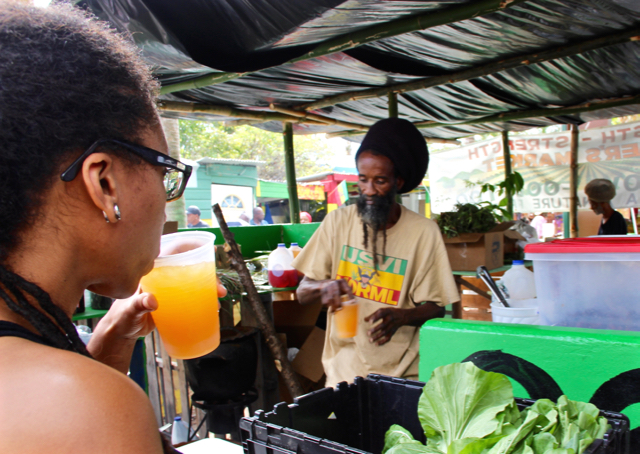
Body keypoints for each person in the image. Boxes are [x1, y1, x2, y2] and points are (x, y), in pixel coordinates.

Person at [0, 3, 226, 453]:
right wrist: (95, 392)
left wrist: (99, 361)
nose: (166, 204)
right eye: (164, 174)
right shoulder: (88, 412)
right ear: (104, 182)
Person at [292, 118, 460, 388]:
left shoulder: (423, 232)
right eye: (363, 180)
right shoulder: (337, 222)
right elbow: (302, 293)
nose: (368, 191)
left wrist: (402, 316)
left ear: (398, 181)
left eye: (380, 181)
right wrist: (325, 286)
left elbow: (437, 307)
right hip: (344, 371)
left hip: (404, 374)